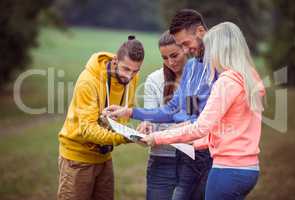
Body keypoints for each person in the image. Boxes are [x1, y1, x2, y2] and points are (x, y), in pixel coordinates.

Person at [142, 22, 265, 200]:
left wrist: (157, 137)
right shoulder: (250, 77)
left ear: (219, 50)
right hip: (249, 169)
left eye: (210, 49)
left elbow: (200, 127)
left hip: (227, 170)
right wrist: (198, 143)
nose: (208, 56)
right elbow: (231, 129)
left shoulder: (226, 82)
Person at [103, 9, 216, 200]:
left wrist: (190, 123)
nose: (185, 51)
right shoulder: (192, 67)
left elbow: (208, 115)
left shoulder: (212, 68)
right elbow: (173, 109)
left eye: (183, 46)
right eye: (165, 57)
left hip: (202, 155)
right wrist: (129, 112)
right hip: (178, 154)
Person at [57, 35, 144, 200]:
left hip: (104, 157)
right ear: (116, 60)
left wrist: (134, 128)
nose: (130, 77)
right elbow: (88, 130)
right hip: (76, 157)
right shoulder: (88, 81)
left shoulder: (132, 78)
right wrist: (126, 137)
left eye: (135, 71)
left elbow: (124, 115)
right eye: (126, 69)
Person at [136, 30, 187, 200]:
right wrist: (146, 125)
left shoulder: (199, 78)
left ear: (186, 49)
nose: (170, 62)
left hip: (193, 161)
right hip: (162, 159)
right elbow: (151, 116)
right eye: (164, 58)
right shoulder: (154, 79)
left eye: (174, 55)